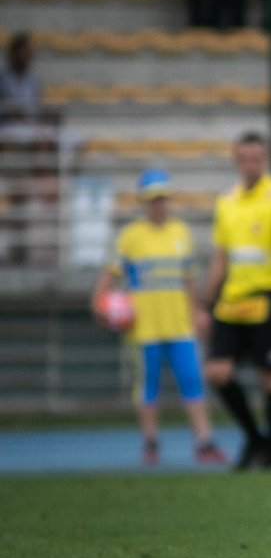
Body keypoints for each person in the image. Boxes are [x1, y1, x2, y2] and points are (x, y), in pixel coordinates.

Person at [91, 170, 227, 467]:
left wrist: (198, 313)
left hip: (180, 326)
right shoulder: (131, 238)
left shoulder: (181, 233)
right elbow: (109, 278)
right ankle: (151, 443)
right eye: (153, 199)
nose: (159, 204)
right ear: (143, 202)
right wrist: (100, 304)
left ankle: (204, 442)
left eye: (163, 198)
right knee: (147, 387)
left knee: (193, 382)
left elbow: (189, 280)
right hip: (144, 329)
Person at [200, 132, 271, 470]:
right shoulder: (226, 201)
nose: (251, 165)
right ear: (235, 160)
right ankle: (254, 438)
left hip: (268, 298)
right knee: (218, 372)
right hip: (232, 300)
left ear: (267, 160)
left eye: (257, 158)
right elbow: (221, 258)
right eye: (244, 158)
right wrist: (206, 302)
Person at [0, 33, 42, 120]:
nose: (28, 56)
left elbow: (36, 108)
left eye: (30, 52)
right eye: (25, 52)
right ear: (14, 53)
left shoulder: (33, 81)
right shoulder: (3, 79)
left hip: (28, 127)